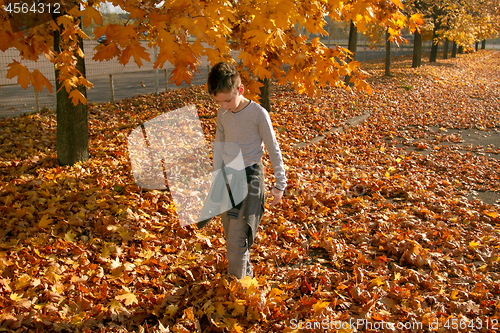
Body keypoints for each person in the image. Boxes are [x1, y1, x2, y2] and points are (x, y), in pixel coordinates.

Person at [198, 61, 287, 279]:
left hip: (250, 179)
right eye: (219, 102)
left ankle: (236, 291)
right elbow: (219, 145)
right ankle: (247, 282)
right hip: (228, 179)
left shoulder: (258, 114)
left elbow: (274, 149)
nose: (224, 106)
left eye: (227, 100)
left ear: (241, 90)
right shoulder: (222, 113)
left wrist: (280, 184)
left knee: (237, 239)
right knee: (232, 238)